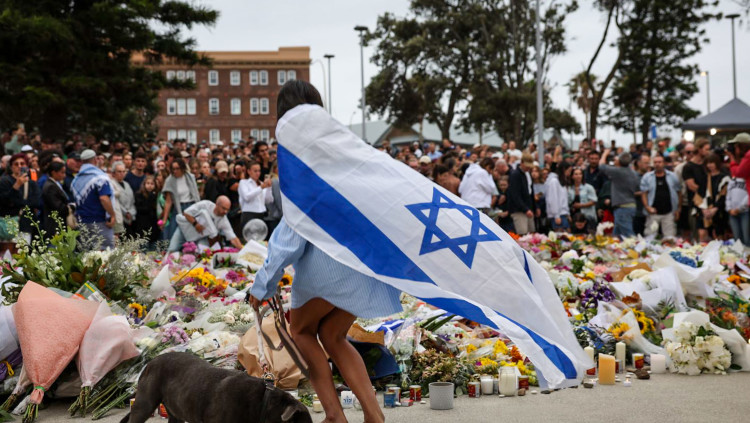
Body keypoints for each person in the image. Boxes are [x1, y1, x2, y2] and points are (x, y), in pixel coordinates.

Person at [249, 80, 390, 423]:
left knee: (300, 331)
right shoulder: (344, 148)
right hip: (364, 259)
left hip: (328, 265)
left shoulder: (299, 159)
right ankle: (373, 415)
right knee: (333, 335)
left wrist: (263, 284)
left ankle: (334, 415)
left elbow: (292, 232)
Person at [71, 149, 117, 249]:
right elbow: (104, 198)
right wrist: (112, 215)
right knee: (105, 252)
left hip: (82, 222)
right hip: (100, 222)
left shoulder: (76, 179)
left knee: (87, 253)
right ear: (95, 160)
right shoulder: (100, 177)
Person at [167, 196, 243, 252]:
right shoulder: (205, 204)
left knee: (203, 253)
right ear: (217, 204)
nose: (225, 212)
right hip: (185, 229)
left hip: (201, 236)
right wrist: (195, 224)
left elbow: (233, 238)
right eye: (223, 208)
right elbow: (186, 213)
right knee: (172, 248)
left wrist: (243, 250)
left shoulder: (223, 220)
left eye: (227, 210)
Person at [0, 153, 42, 240]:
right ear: (11, 167)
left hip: (25, 225)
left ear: (26, 166)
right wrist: (16, 186)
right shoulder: (5, 181)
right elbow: (4, 201)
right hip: (8, 224)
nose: (19, 166)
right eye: (16, 164)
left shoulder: (31, 183)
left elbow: (36, 202)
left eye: (22, 164)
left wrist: (17, 203)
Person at [599, 148, 639, 238]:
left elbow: (601, 166)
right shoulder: (634, 173)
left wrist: (605, 153)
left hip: (622, 207)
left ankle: (637, 246)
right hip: (630, 206)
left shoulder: (618, 172)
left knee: (628, 235)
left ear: (620, 161)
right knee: (617, 235)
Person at [640, 155, 681, 238]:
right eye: (655, 162)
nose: (657, 164)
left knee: (670, 238)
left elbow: (679, 192)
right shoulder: (647, 177)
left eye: (659, 162)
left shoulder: (672, 176)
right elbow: (644, 193)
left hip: (669, 212)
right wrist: (647, 207)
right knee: (650, 237)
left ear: (664, 163)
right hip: (653, 212)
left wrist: (678, 208)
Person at [159, 158, 200, 240]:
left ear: (182, 168)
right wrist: (164, 219)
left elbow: (196, 194)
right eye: (173, 169)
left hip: (191, 206)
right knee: (173, 234)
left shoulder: (190, 177)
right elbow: (168, 201)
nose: (175, 171)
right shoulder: (170, 181)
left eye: (177, 169)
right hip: (178, 208)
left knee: (192, 234)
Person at [683, 138, 710, 242]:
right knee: (698, 236)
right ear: (699, 149)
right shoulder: (688, 167)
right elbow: (692, 186)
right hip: (696, 204)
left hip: (710, 204)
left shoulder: (707, 165)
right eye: (706, 149)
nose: (708, 152)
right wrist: (707, 190)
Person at [507, 153, 536, 235]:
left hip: (528, 208)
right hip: (519, 210)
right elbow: (515, 195)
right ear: (521, 163)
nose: (528, 168)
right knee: (523, 233)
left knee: (532, 232)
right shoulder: (515, 175)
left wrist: (534, 207)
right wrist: (525, 209)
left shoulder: (527, 174)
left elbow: (530, 192)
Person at [238, 161, 273, 230]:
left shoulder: (261, 183)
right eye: (255, 171)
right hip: (249, 213)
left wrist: (269, 188)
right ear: (249, 171)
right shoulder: (243, 182)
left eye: (259, 171)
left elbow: (268, 200)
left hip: (262, 213)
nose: (258, 173)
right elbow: (247, 197)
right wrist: (261, 188)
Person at [41, 162, 71, 239]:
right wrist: (71, 208)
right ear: (54, 172)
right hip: (54, 225)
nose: (64, 175)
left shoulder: (55, 183)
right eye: (62, 172)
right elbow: (58, 206)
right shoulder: (50, 186)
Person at [110, 161, 136, 238]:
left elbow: (132, 201)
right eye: (119, 171)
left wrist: (131, 212)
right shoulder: (111, 184)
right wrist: (126, 212)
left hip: (130, 217)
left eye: (123, 171)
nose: (122, 173)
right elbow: (115, 202)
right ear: (113, 173)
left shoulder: (127, 184)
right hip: (119, 217)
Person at [134, 175, 160, 247]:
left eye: (152, 184)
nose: (149, 186)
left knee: (153, 245)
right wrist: (150, 198)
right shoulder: (139, 194)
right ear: (144, 184)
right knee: (144, 245)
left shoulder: (156, 195)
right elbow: (141, 208)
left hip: (153, 224)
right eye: (148, 183)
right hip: (142, 224)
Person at [544, 162, 570, 232]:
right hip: (558, 215)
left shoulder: (562, 181)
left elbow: (564, 199)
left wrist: (567, 213)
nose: (569, 173)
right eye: (569, 171)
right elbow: (553, 199)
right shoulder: (554, 181)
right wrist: (556, 215)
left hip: (563, 213)